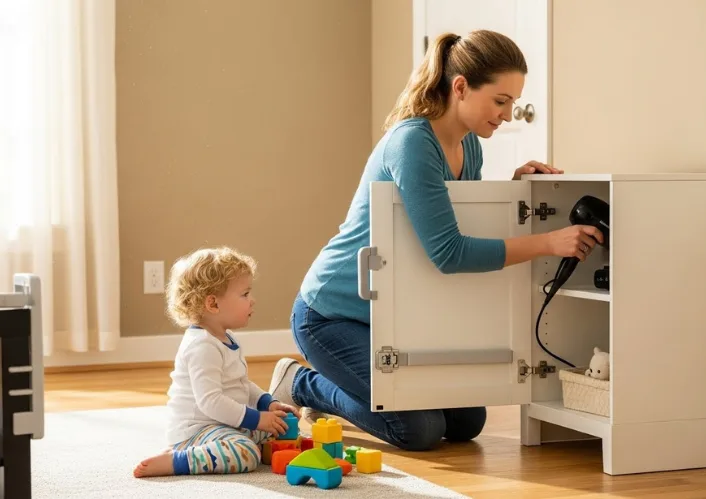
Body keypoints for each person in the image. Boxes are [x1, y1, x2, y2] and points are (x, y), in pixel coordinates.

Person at [268, 30, 604, 451]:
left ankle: (334, 385)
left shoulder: (469, 147)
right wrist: (548, 242)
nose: (508, 114)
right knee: (419, 429)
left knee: (467, 421)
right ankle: (303, 385)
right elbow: (449, 252)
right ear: (460, 86)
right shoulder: (412, 143)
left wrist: (514, 192)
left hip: (395, 316)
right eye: (500, 101)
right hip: (331, 316)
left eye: (513, 104)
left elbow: (458, 224)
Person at [134, 247, 300, 478]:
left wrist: (267, 403)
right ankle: (177, 460)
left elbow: (240, 384)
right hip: (196, 432)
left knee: (281, 427)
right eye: (245, 294)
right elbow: (210, 401)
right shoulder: (202, 345)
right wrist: (257, 419)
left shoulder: (226, 338)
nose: (253, 301)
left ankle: (259, 444)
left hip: (224, 424)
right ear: (213, 304)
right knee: (246, 453)